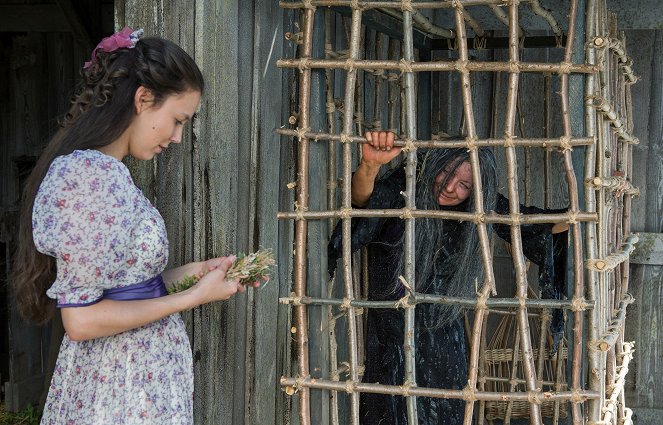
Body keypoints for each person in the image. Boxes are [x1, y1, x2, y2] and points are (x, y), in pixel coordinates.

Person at [13, 28, 260, 424]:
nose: (178, 138)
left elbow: (128, 288)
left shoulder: (111, 175)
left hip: (138, 382)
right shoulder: (86, 176)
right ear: (143, 99)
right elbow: (81, 320)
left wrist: (195, 276)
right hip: (117, 387)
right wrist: (190, 300)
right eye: (177, 120)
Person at [328, 131, 568, 425]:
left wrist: (588, 210)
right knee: (391, 411)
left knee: (444, 411)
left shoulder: (479, 207)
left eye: (465, 185)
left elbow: (534, 224)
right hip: (392, 334)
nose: (450, 187)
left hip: (445, 340)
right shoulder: (405, 188)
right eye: (445, 172)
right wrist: (369, 166)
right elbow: (364, 203)